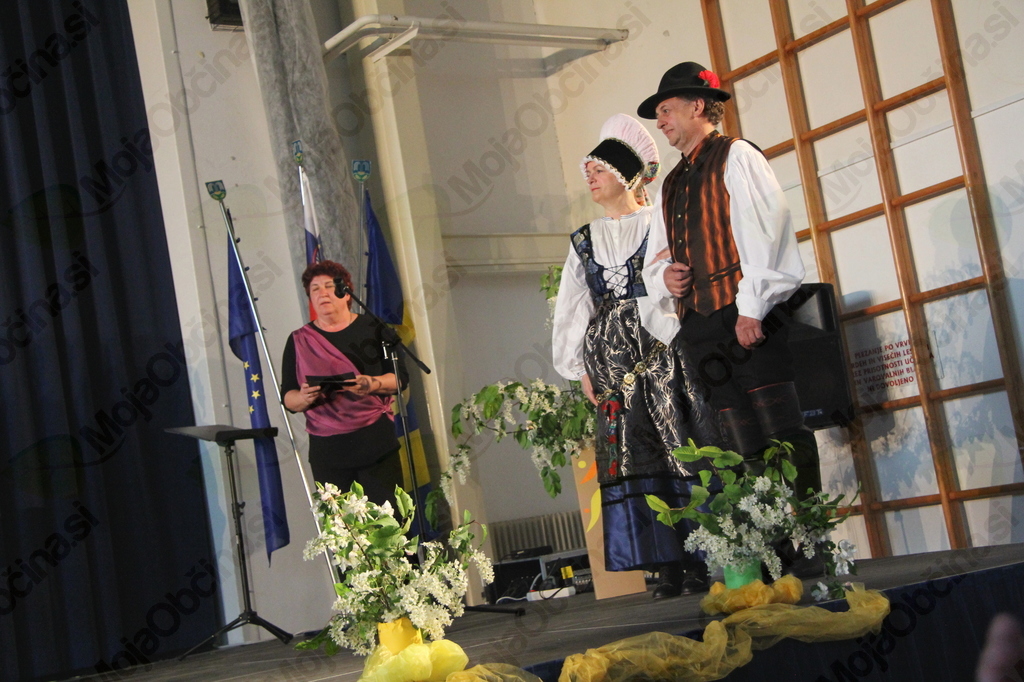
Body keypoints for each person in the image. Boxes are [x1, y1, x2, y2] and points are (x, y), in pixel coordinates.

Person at [638, 62, 822, 574]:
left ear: (698, 106)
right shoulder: (670, 183)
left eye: (666, 110)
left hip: (744, 315)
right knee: (739, 443)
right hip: (700, 325)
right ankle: (772, 550)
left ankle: (811, 542)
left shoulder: (737, 156)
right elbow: (657, 257)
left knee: (783, 432)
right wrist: (666, 279)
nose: (661, 121)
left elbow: (767, 234)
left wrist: (752, 308)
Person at [552, 114, 721, 598]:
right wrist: (579, 367)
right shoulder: (584, 239)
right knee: (632, 454)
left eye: (598, 170)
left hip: (663, 347)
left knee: (678, 441)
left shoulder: (659, 222)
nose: (590, 178)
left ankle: (700, 556)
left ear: (625, 177)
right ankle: (664, 565)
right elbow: (573, 304)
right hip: (612, 360)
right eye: (588, 172)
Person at [281, 260, 407, 507]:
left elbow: (400, 378)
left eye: (329, 286)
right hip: (328, 453)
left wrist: (372, 384)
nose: (322, 293)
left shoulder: (375, 329)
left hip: (376, 445)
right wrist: (303, 398)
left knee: (389, 522)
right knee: (342, 528)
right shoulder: (299, 341)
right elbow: (288, 398)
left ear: (346, 293)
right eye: (315, 289)